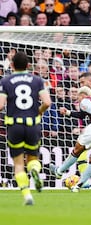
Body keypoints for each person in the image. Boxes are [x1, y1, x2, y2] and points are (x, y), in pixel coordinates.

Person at [0, 51, 52, 205]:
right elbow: (48, 102)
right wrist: (38, 112)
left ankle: (27, 195)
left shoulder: (6, 81)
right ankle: (35, 170)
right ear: (28, 65)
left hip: (14, 125)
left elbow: (1, 105)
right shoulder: (37, 80)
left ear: (12, 65)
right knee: (32, 158)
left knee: (18, 163)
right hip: (32, 125)